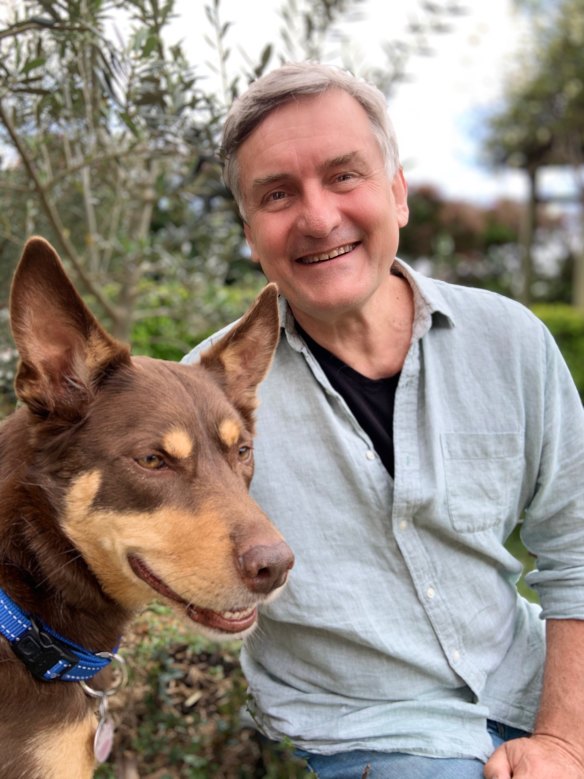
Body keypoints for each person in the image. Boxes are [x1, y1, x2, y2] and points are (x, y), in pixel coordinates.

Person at [183, 62, 584, 779]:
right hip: (363, 726)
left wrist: (563, 739)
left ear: (396, 194)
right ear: (251, 234)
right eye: (278, 194)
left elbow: (577, 545)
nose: (317, 216)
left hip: (532, 681)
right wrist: (206, 591)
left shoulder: (511, 341)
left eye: (344, 176)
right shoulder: (203, 392)